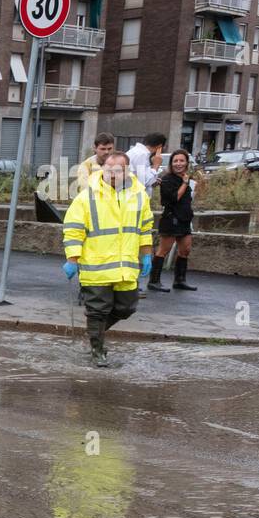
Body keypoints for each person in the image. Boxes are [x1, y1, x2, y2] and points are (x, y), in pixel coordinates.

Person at [62, 151, 154, 368]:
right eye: (108, 170)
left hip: (126, 268)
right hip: (96, 267)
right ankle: (97, 350)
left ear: (127, 171)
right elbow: (74, 229)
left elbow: (145, 227)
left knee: (126, 308)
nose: (112, 174)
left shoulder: (139, 196)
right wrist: (72, 259)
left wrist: (147, 254)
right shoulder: (87, 196)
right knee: (97, 311)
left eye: (117, 170)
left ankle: (96, 332)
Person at [147, 149, 198, 293]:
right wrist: (184, 183)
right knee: (163, 250)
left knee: (185, 250)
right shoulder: (167, 179)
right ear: (171, 163)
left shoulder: (186, 178)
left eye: (181, 161)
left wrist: (188, 183)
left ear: (187, 162)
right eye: (175, 161)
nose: (178, 164)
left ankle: (180, 280)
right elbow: (174, 198)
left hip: (185, 219)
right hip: (171, 219)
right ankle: (154, 281)